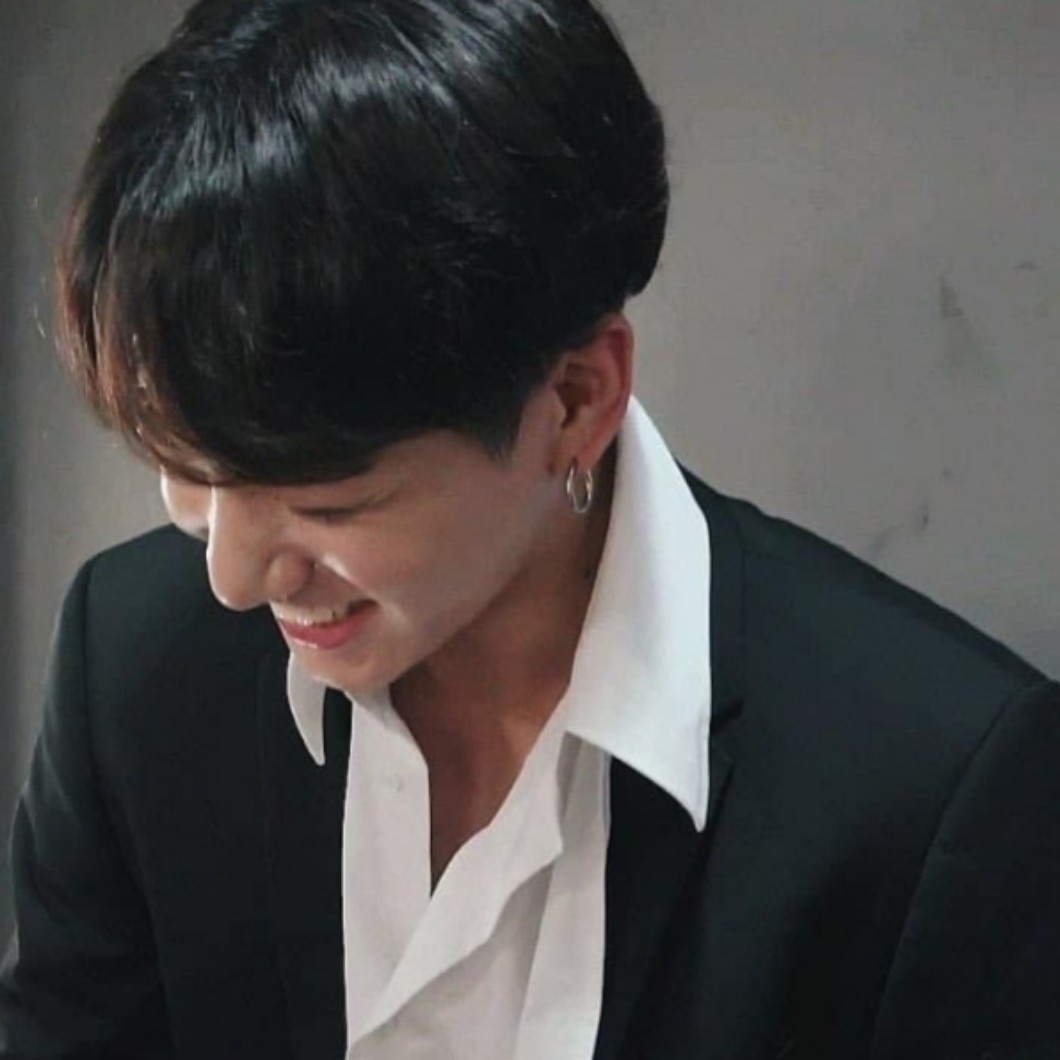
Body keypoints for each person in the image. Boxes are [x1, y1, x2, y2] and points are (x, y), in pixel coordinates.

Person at [2, 0, 1058, 1056]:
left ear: (575, 402)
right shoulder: (134, 661)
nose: (232, 576)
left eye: (328, 503)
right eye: (188, 469)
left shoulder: (934, 795)